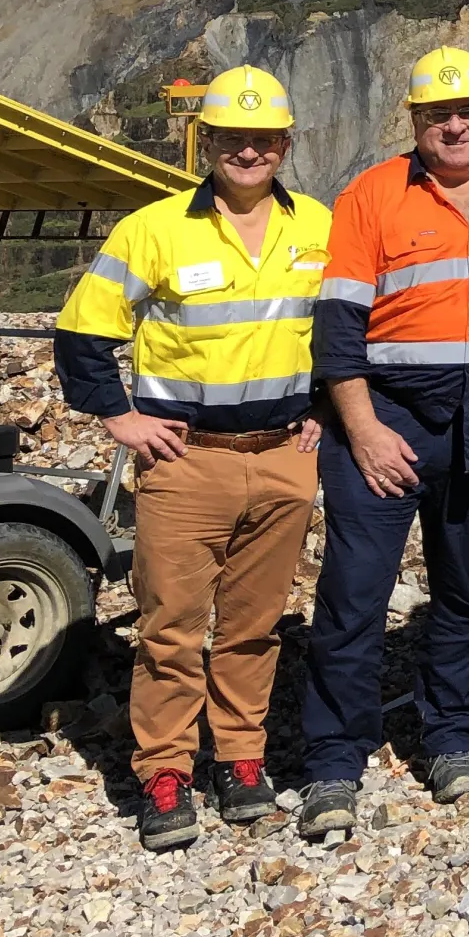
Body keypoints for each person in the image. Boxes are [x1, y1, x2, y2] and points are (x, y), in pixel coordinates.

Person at [53, 66, 331, 852]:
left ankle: (241, 761)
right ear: (206, 142)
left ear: (284, 143)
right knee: (171, 626)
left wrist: (325, 414)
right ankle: (166, 771)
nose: (248, 152)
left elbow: (345, 333)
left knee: (254, 625)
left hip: (283, 456)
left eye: (263, 139)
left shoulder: (318, 225)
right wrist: (119, 416)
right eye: (232, 139)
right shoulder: (154, 229)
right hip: (186, 461)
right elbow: (82, 333)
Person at [297, 47, 469, 836]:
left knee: (462, 594)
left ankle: (450, 740)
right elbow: (338, 330)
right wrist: (364, 429)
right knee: (353, 598)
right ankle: (334, 763)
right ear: (413, 120)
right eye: (438, 114)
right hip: (388, 428)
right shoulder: (372, 196)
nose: (455, 125)